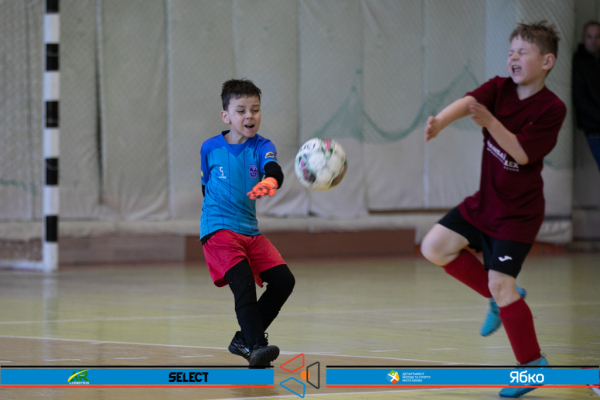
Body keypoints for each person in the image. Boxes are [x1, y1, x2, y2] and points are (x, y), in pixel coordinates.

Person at [421, 21, 566, 398]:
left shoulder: (552, 109)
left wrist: (490, 122)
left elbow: (522, 153)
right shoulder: (499, 87)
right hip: (484, 202)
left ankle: (533, 367)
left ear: (547, 61)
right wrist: (441, 121)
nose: (513, 57)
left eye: (523, 52)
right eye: (510, 51)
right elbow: (468, 103)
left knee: (502, 284)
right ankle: (497, 298)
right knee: (434, 247)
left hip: (518, 216)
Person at [200, 79, 295, 367]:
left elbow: (273, 169)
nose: (249, 116)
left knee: (284, 281)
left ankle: (244, 339)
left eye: (255, 109)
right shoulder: (209, 148)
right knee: (244, 286)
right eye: (241, 110)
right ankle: (255, 347)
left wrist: (270, 181)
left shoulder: (263, 146)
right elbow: (205, 186)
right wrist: (215, 219)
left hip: (250, 231)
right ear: (226, 116)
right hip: (218, 229)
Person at [572, 20, 600, 171]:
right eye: (590, 36)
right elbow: (580, 99)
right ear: (584, 38)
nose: (593, 41)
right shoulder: (579, 62)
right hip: (594, 129)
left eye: (597, 36)